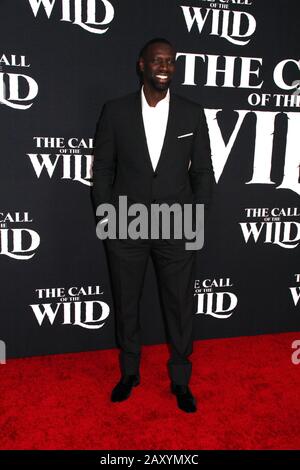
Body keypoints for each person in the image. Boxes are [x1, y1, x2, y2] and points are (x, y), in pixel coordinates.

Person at [92, 38, 215, 413]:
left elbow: (204, 173)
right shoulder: (114, 112)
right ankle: (129, 372)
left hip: (177, 226)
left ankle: (180, 379)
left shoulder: (192, 114)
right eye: (158, 60)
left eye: (171, 61)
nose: (166, 66)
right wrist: (108, 219)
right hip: (126, 224)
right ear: (141, 65)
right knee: (127, 303)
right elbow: (103, 172)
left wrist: (195, 221)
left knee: (179, 306)